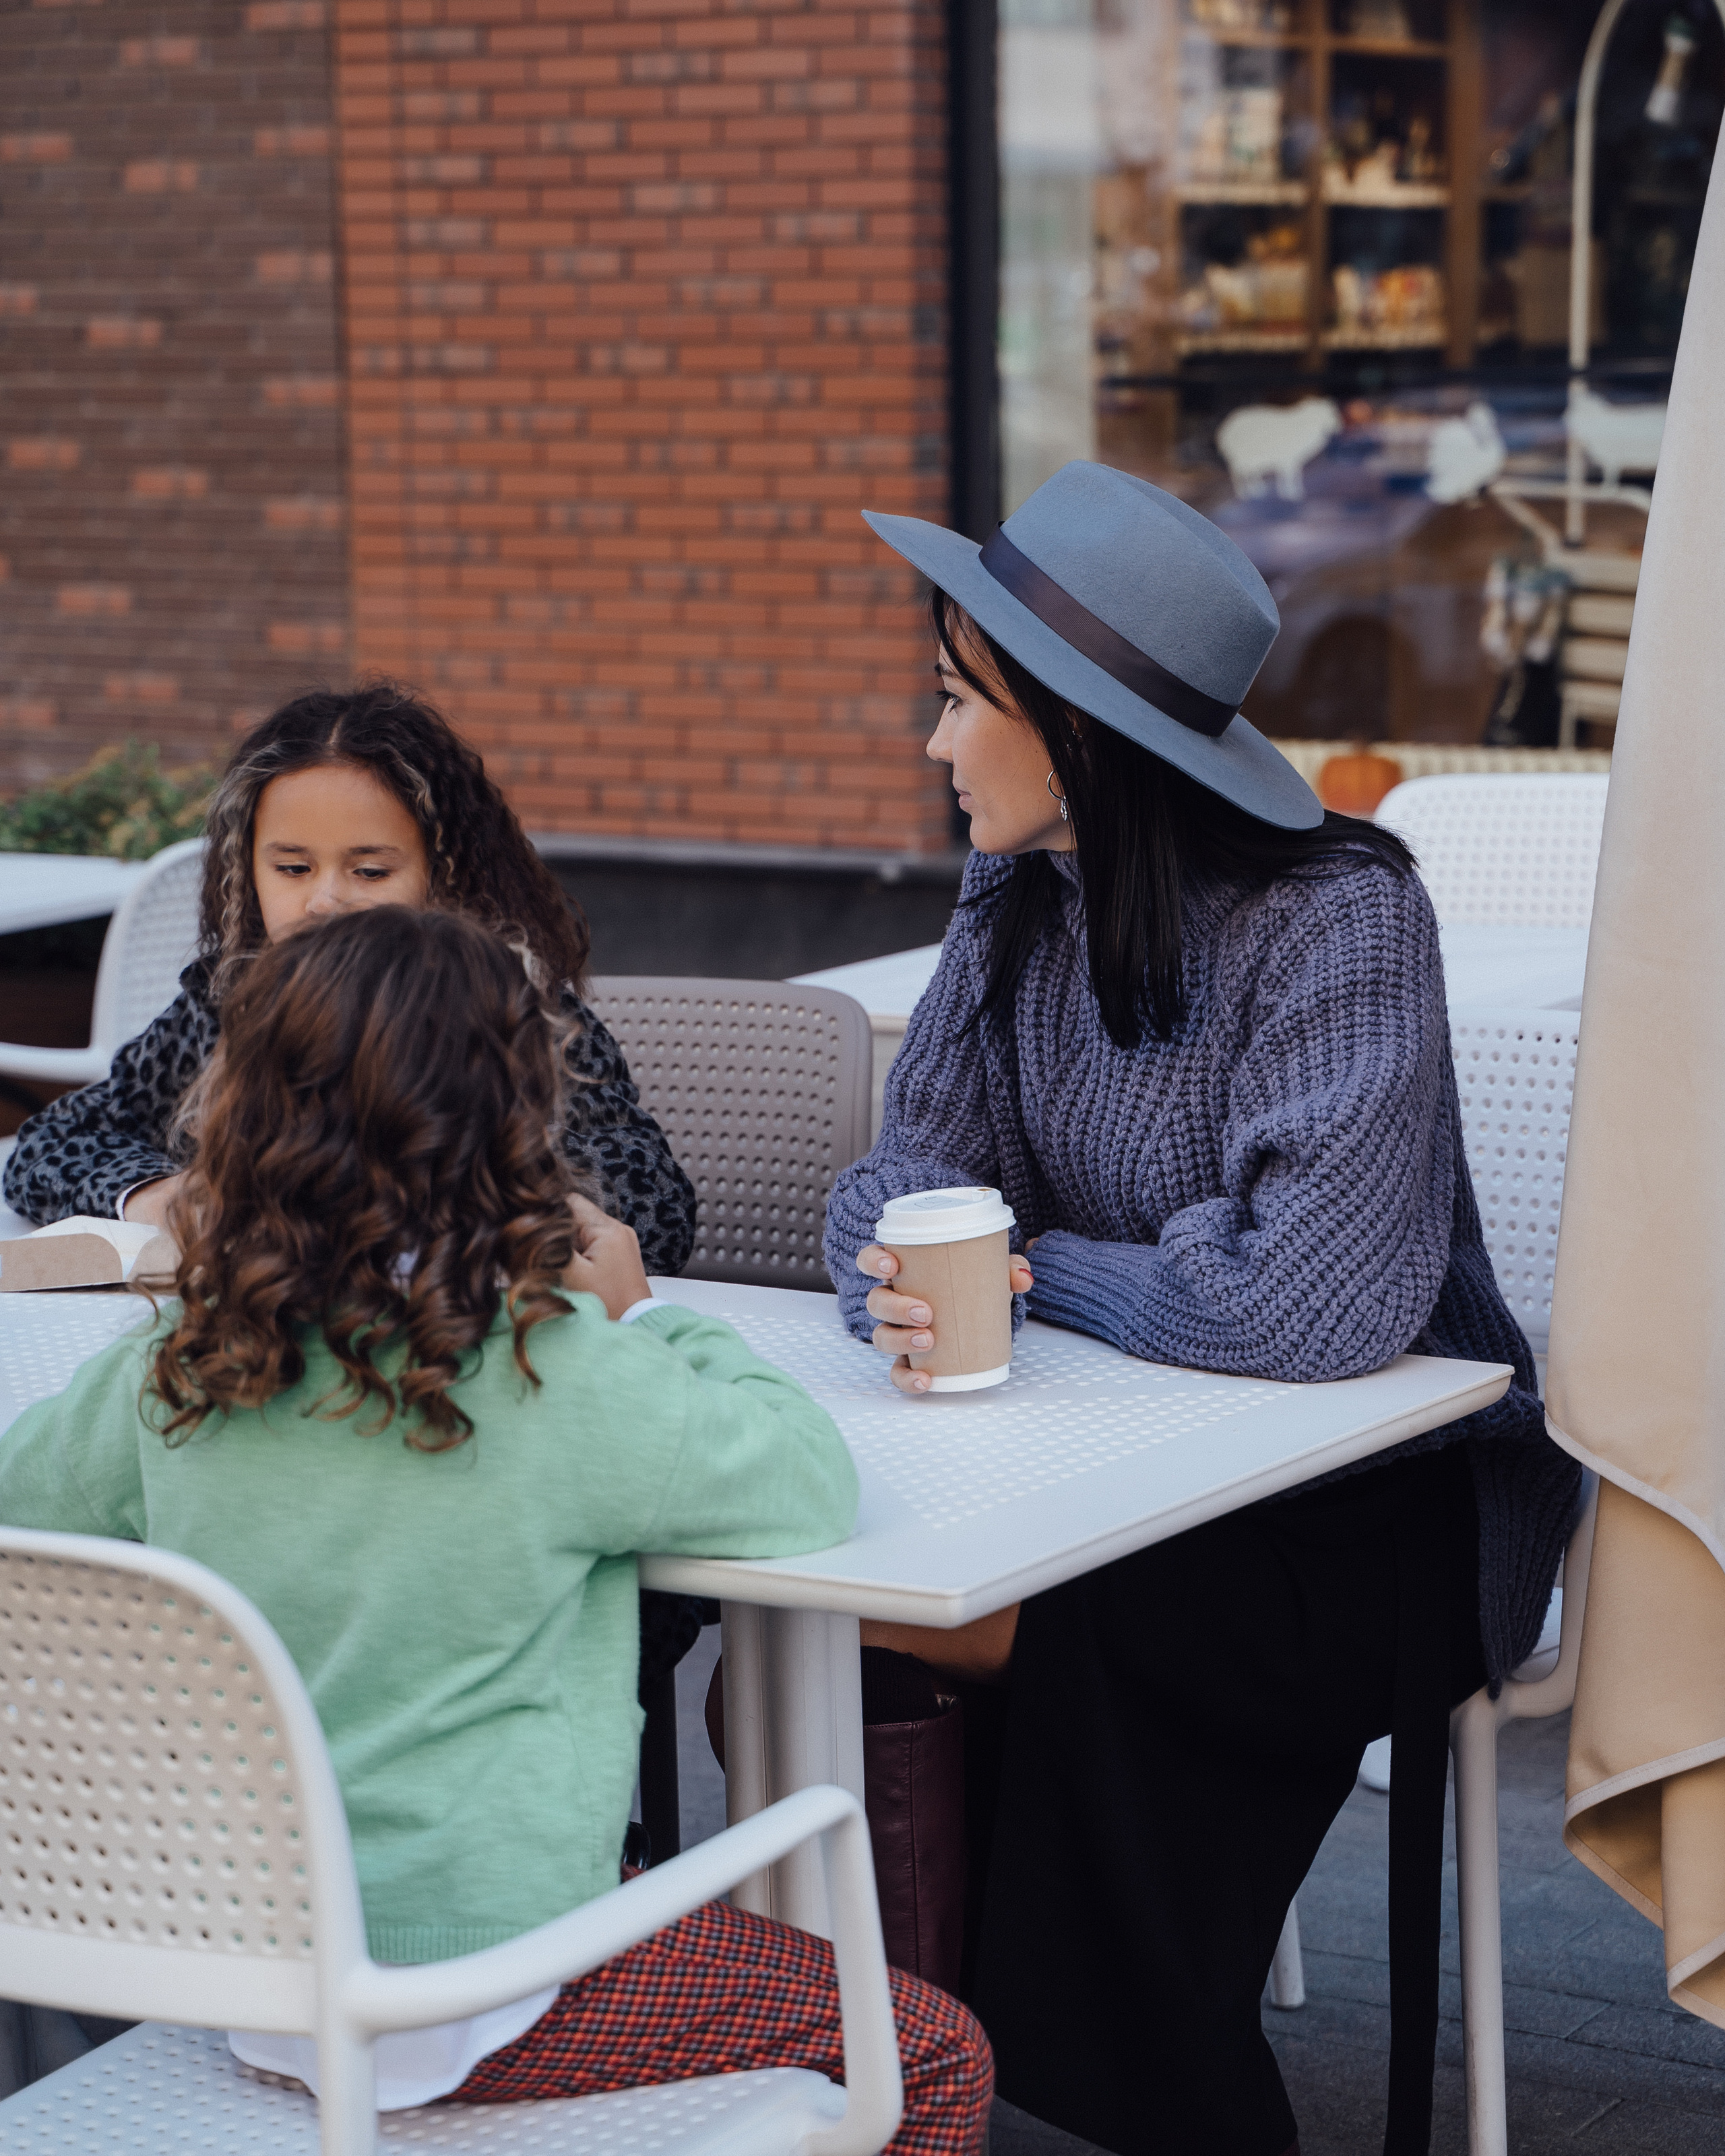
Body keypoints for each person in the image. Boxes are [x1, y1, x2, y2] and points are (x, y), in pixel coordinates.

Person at [823, 463, 1580, 2156]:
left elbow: (1310, 1305)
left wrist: (1022, 1277)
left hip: (1390, 1512)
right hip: (1105, 1468)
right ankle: (923, 2066)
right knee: (873, 1624)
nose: (932, 741)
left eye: (957, 700)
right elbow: (889, 1193)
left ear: (1077, 729)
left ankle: (1106, 2102)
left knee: (1079, 1640)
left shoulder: (1336, 919)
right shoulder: (1011, 894)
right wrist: (922, 1261)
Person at [0, 907, 993, 2152]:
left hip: (238, 1966)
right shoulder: (546, 1366)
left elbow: (22, 1508)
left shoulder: (178, 1364)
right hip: (493, 1988)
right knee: (936, 2057)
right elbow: (804, 1481)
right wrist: (640, 1317)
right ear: (514, 1123)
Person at [2, 680, 695, 1275]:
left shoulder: (516, 1010)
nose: (324, 901)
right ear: (250, 871)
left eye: (369, 871)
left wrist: (434, 1202)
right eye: (293, 868)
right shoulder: (227, 1002)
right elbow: (50, 1141)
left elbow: (658, 1212)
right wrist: (160, 1196)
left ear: (442, 877)